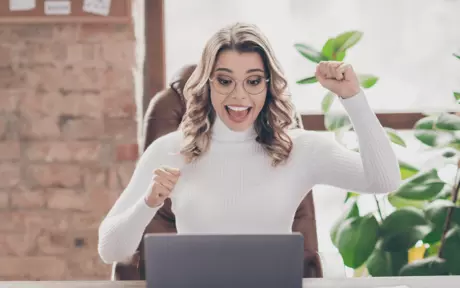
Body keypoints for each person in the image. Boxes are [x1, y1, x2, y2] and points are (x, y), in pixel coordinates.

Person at [97, 22, 401, 264]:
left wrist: (352, 98)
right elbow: (109, 249)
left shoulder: (302, 149)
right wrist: (148, 202)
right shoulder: (169, 150)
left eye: (253, 81)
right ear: (208, 83)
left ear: (268, 85)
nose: (239, 96)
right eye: (225, 80)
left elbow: (385, 180)